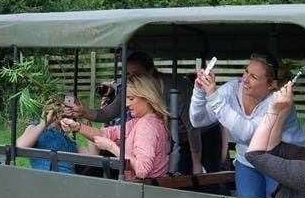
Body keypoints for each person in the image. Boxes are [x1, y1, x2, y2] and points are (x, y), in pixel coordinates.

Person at [67, 51, 210, 174]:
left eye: (136, 74)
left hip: (198, 138)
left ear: (150, 71)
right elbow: (109, 115)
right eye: (128, 74)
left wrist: (196, 163)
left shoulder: (176, 89)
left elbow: (193, 127)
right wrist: (81, 118)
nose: (130, 78)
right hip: (168, 142)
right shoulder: (138, 117)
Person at [190, 52, 305, 198]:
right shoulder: (232, 89)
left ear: (271, 85)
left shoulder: (279, 100)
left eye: (254, 77)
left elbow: (247, 134)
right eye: (246, 72)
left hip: (282, 162)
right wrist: (199, 92)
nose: (245, 79)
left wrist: (214, 97)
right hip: (248, 161)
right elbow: (198, 120)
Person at [61, 74, 170, 181]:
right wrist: (77, 127)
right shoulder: (142, 121)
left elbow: (142, 170)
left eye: (131, 98)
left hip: (144, 190)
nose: (126, 103)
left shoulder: (147, 126)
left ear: (147, 98)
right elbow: (107, 134)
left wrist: (111, 147)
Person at [16, 96, 78, 173]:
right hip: (45, 179)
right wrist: (46, 122)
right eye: (62, 109)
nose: (66, 113)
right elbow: (20, 146)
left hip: (70, 181)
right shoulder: (36, 129)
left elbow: (91, 154)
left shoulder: (68, 138)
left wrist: (85, 123)